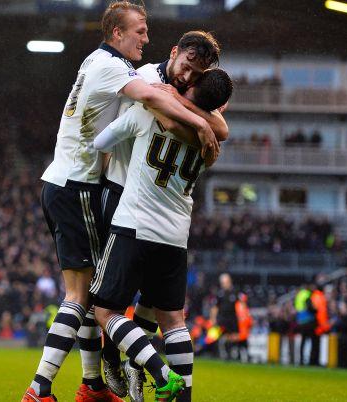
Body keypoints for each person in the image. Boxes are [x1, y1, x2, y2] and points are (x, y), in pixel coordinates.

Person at [23, 2, 222, 400]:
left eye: (197, 75)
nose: (147, 38)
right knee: (94, 298)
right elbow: (163, 108)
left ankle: (104, 377)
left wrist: (192, 110)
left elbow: (193, 117)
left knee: (111, 300)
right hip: (104, 192)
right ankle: (79, 381)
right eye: (140, 31)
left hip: (116, 197)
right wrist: (199, 121)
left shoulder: (152, 81)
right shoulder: (135, 74)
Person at [91, 69, 233, 402]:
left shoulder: (148, 111)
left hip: (134, 225)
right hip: (175, 236)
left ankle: (160, 372)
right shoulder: (208, 139)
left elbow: (101, 142)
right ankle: (183, 396)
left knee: (105, 312)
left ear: (192, 86)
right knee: (173, 321)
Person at [210, 273, 240, 361]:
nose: (223, 284)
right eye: (222, 283)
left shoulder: (236, 292)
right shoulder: (219, 294)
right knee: (220, 336)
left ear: (229, 282)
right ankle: (222, 354)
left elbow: (241, 306)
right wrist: (213, 319)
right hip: (222, 319)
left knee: (234, 337)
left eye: (225, 282)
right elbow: (214, 307)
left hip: (233, 318)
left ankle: (233, 354)